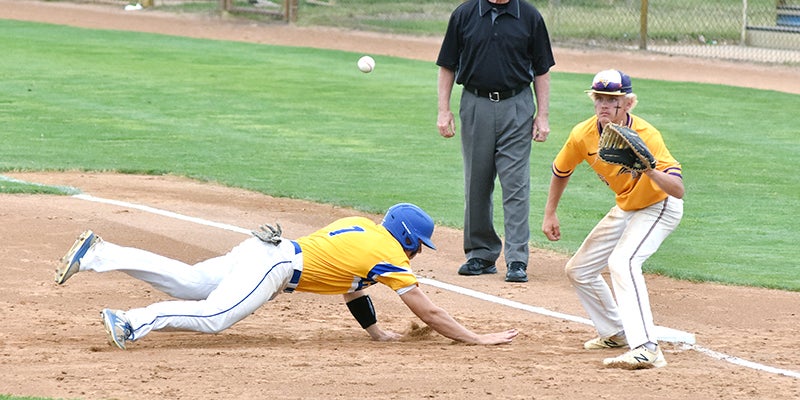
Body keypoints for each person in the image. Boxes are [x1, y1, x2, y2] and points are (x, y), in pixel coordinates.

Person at [54, 203, 519, 349]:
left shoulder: (359, 229)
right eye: (418, 244)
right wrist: (476, 338)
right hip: (276, 266)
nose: (418, 252)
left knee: (190, 282)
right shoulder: (388, 252)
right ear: (406, 237)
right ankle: (133, 322)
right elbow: (428, 309)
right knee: (214, 316)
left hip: (265, 248)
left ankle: (101, 252)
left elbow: (350, 287)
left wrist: (376, 332)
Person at [541, 69, 684, 369]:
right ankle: (616, 333)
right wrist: (550, 212)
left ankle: (647, 348)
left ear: (628, 104)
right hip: (627, 206)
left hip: (659, 206)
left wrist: (649, 169)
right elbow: (560, 170)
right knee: (579, 269)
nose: (604, 105)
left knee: (623, 262)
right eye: (600, 99)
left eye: (612, 100)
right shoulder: (583, 134)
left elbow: (678, 190)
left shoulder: (647, 135)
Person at [436, 0, 556, 283]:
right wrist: (444, 110)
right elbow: (447, 66)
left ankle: (516, 259)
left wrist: (543, 116)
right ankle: (481, 253)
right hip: (475, 103)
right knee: (476, 182)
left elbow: (542, 70)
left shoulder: (529, 16)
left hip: (517, 105)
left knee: (515, 184)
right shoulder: (464, 14)